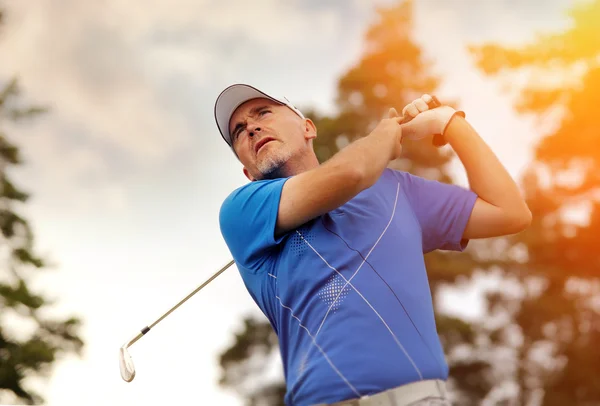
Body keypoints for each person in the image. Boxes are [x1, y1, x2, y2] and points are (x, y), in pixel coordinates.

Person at [215, 84, 531, 406]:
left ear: (308, 127)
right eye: (239, 131)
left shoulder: (396, 190)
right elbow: (352, 172)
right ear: (247, 172)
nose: (252, 128)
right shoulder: (241, 210)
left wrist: (450, 123)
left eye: (263, 113)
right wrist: (387, 134)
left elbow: (509, 212)